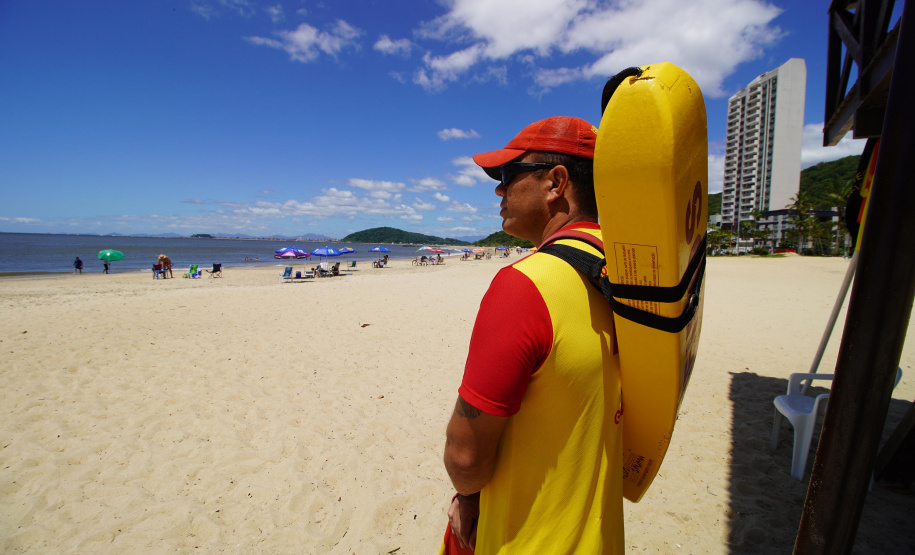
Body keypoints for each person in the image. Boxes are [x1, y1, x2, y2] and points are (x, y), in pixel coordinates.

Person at [443, 116, 624, 553]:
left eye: (507, 175)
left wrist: (466, 497)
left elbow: (465, 456)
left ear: (556, 182)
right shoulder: (627, 276)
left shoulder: (525, 286)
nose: (499, 191)